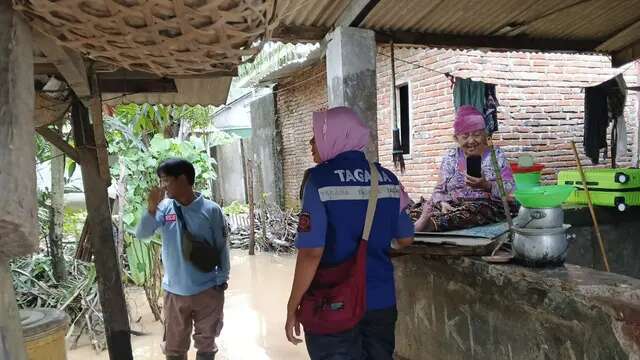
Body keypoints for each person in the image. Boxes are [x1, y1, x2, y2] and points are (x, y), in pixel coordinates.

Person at [285, 106, 415, 360]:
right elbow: (406, 237)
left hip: (332, 303)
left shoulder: (318, 181)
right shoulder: (386, 178)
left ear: (336, 136)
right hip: (380, 302)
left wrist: (292, 304)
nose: (312, 143)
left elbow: (311, 252)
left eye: (317, 135)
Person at [135, 158, 230, 360]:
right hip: (174, 292)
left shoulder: (211, 210)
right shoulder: (164, 209)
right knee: (174, 348)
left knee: (206, 346)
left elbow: (222, 248)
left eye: (166, 180)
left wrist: (220, 282)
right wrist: (151, 208)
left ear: (184, 179)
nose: (163, 186)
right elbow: (142, 233)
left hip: (208, 290)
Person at [414, 105, 516, 232]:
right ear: (456, 138)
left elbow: (512, 191)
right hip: (452, 205)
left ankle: (428, 225)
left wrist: (487, 185)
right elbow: (439, 189)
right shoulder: (451, 157)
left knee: (473, 211)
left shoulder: (496, 155)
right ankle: (422, 221)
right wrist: (442, 203)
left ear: (484, 135)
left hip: (485, 206)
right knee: (420, 207)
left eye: (477, 134)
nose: (471, 140)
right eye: (465, 136)